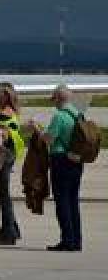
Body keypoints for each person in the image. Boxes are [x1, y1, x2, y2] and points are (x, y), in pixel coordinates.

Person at [39, 84, 84, 252]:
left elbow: (49, 139)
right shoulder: (77, 114)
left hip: (61, 161)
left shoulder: (59, 116)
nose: (54, 103)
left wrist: (39, 131)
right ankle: (76, 240)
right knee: (73, 201)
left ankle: (67, 240)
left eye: (54, 99)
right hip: (77, 161)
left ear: (59, 99)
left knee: (62, 202)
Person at [0, 82, 25, 246]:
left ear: (4, 96)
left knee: (4, 196)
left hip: (3, 156)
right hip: (10, 155)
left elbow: (2, 137)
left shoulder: (4, 114)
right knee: (5, 195)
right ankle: (12, 229)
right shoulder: (14, 112)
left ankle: (8, 233)